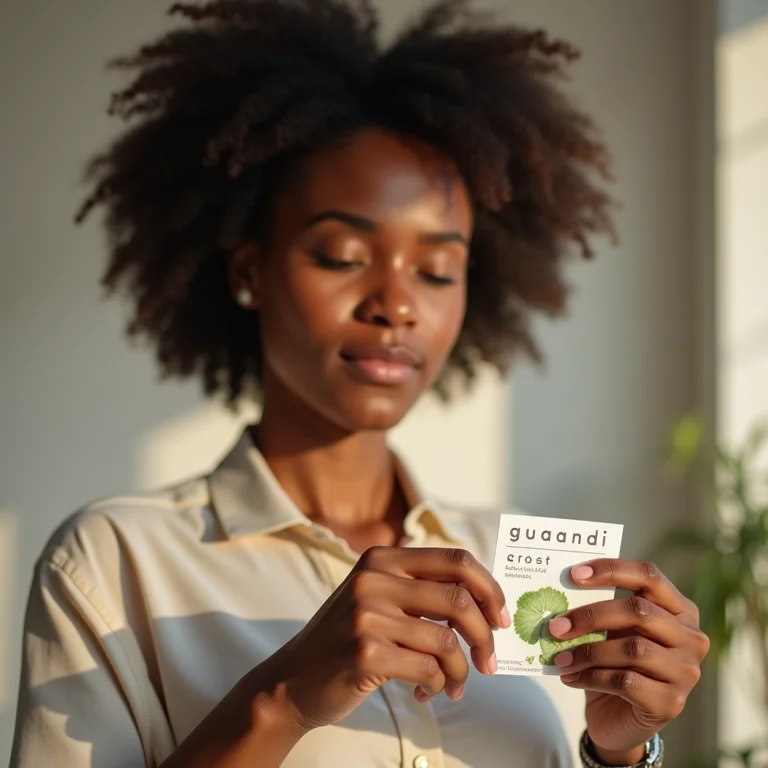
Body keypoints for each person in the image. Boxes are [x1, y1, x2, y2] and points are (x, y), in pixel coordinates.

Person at [10, 1, 709, 766]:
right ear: (250, 271)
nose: (397, 304)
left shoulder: (516, 565)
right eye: (342, 256)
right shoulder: (116, 562)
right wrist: (283, 700)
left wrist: (619, 754)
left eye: (436, 270)